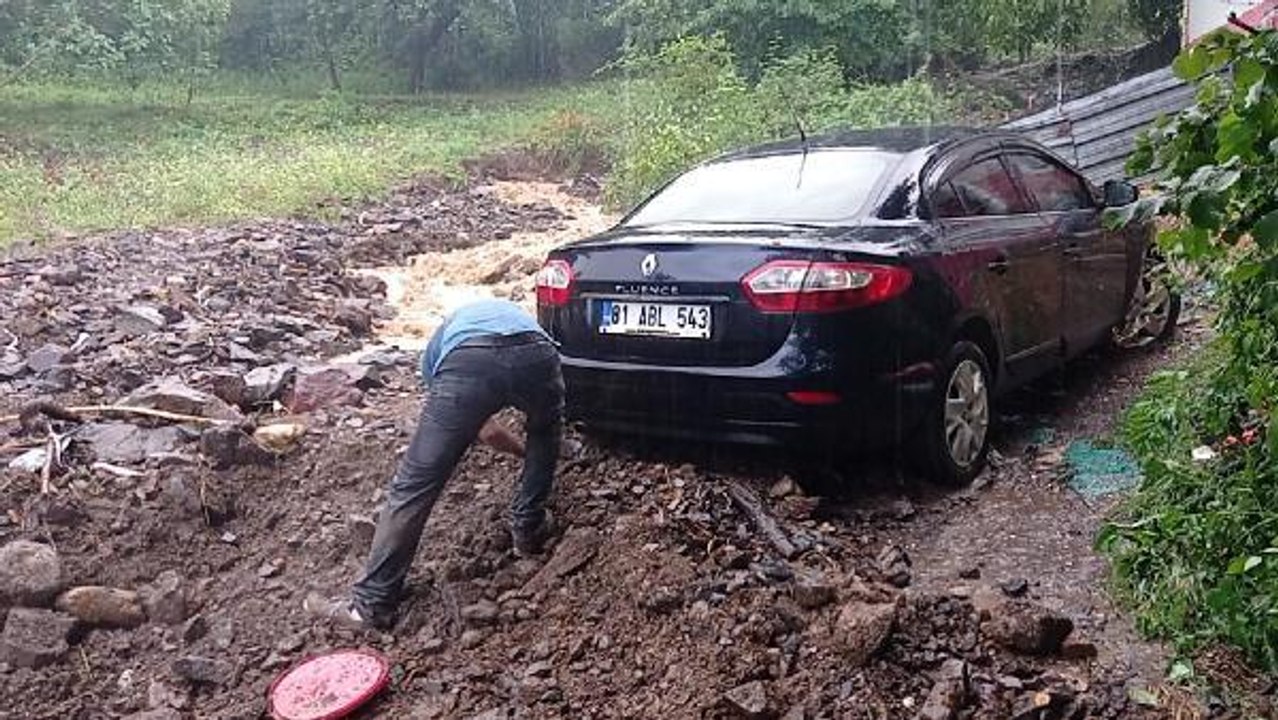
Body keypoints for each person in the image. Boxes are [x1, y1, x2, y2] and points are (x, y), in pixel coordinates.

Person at [306, 298, 564, 630]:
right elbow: (497, 428)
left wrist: (509, 448)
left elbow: (485, 429)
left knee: (414, 484)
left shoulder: (441, 346)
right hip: (539, 352)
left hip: (472, 360)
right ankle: (528, 529)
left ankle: (371, 606)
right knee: (546, 432)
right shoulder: (514, 318)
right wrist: (531, 455)